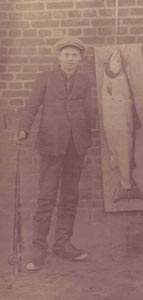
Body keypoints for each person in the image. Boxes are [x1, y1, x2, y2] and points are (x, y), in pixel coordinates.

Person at [17, 37, 92, 270]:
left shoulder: (84, 81)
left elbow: (89, 112)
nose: (70, 59)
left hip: (76, 147)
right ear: (58, 57)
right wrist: (23, 129)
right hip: (52, 145)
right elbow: (31, 106)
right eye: (66, 54)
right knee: (47, 196)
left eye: (75, 55)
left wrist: (86, 137)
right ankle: (38, 248)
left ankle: (63, 243)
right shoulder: (45, 79)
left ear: (80, 59)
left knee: (70, 197)